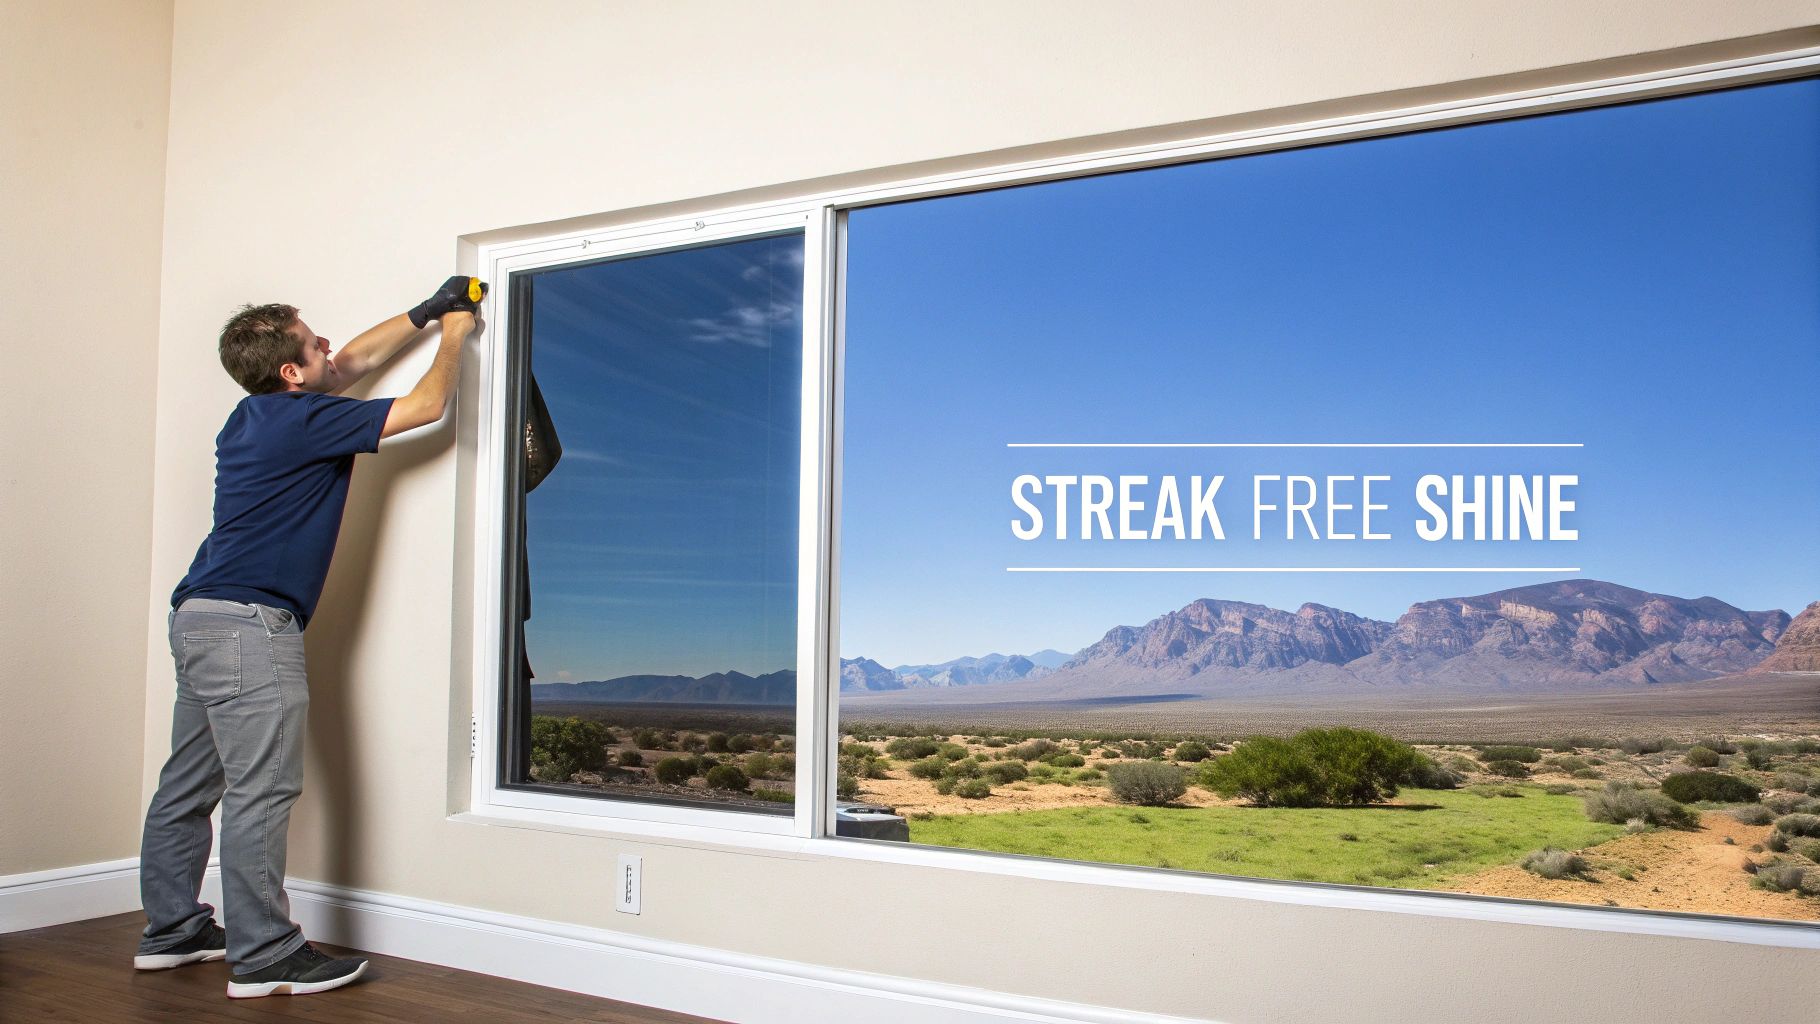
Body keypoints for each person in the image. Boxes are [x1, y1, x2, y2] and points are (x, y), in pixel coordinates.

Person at [134, 276, 483, 998]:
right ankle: (263, 954)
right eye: (312, 341)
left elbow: (352, 360)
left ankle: (173, 930)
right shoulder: (306, 423)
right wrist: (454, 337)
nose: (330, 345)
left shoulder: (254, 416)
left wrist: (423, 311)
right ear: (292, 374)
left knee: (188, 785)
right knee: (262, 790)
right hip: (250, 627)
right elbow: (426, 405)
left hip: (199, 617)